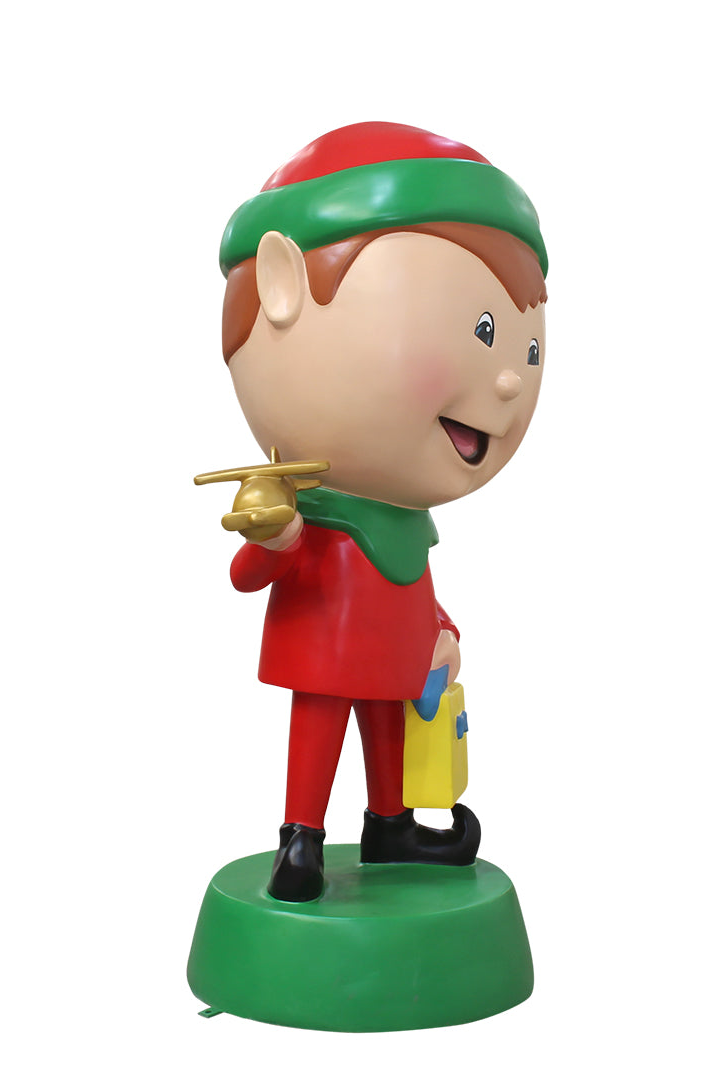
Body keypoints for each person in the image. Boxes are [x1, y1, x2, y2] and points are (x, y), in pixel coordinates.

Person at [214, 122, 547, 901]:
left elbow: (409, 581)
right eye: (482, 332)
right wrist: (278, 536)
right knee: (321, 719)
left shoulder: (409, 520)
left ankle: (389, 823)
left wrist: (441, 629)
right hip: (325, 645)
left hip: (397, 647)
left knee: (389, 718)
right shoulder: (309, 506)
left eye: (527, 350)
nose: (508, 380)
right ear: (283, 289)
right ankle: (301, 836)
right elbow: (249, 573)